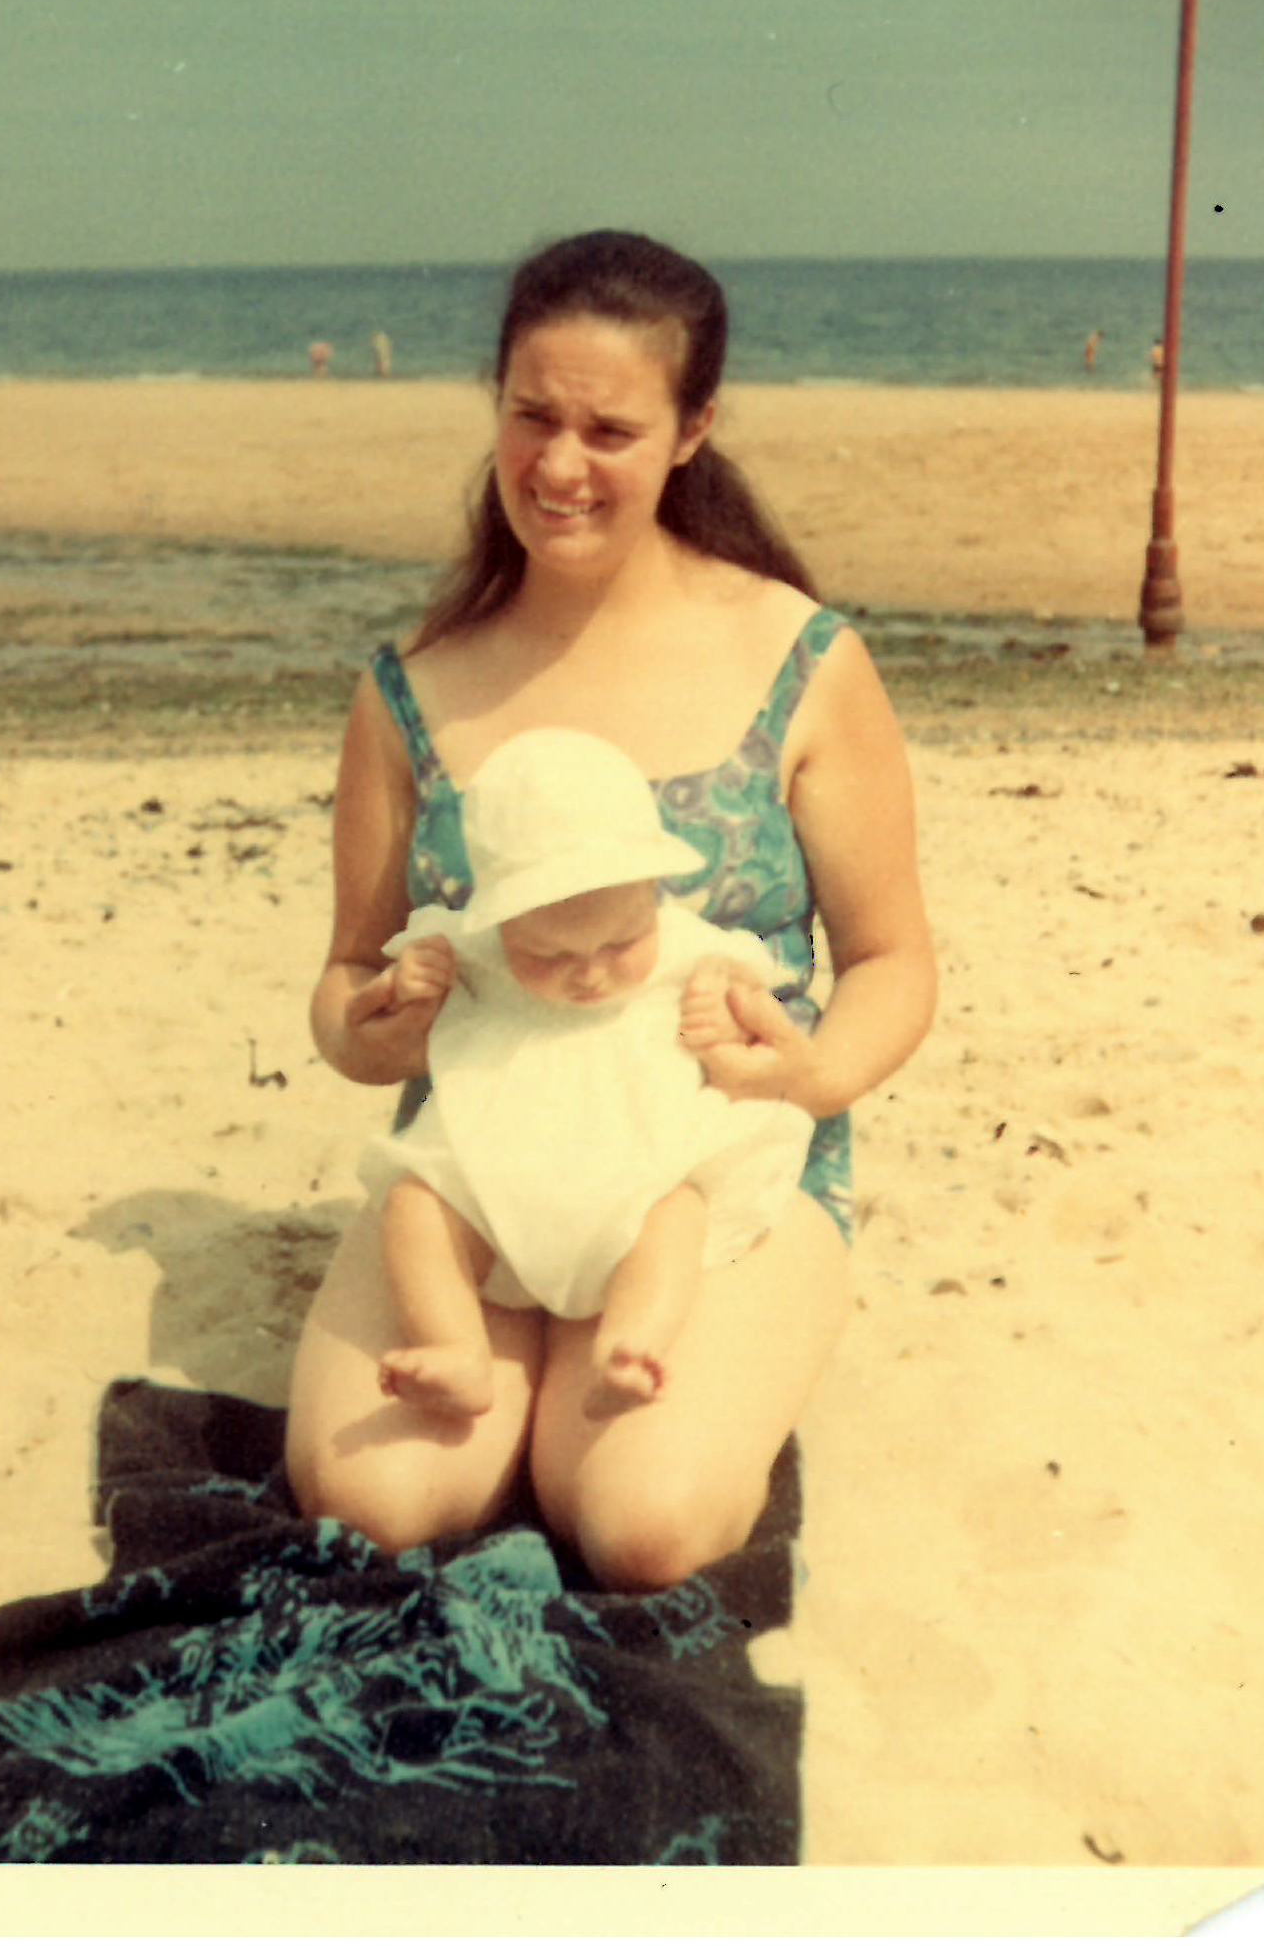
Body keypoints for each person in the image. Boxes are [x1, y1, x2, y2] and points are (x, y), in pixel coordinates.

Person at [284, 229, 937, 1593]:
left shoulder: (800, 660)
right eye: (531, 415)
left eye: (608, 427)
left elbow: (891, 959)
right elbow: (344, 977)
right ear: (494, 401)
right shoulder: (411, 689)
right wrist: (373, 1031)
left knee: (635, 1520)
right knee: (381, 1503)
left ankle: (622, 1382)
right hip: (479, 1160)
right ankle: (515, 1372)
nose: (558, 466)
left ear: (693, 429)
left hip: (711, 1171)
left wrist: (812, 1072)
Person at [354, 725, 814, 1424]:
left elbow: (758, 994)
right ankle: (455, 1349)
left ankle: (631, 1346)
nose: (591, 972)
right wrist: (407, 987)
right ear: (501, 921)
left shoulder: (691, 950)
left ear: (651, 890)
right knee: (416, 1207)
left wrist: (725, 1007)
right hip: (494, 1175)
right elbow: (374, 1006)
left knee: (678, 1214)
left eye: (621, 943)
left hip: (638, 1168)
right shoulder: (468, 953)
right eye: (547, 954)